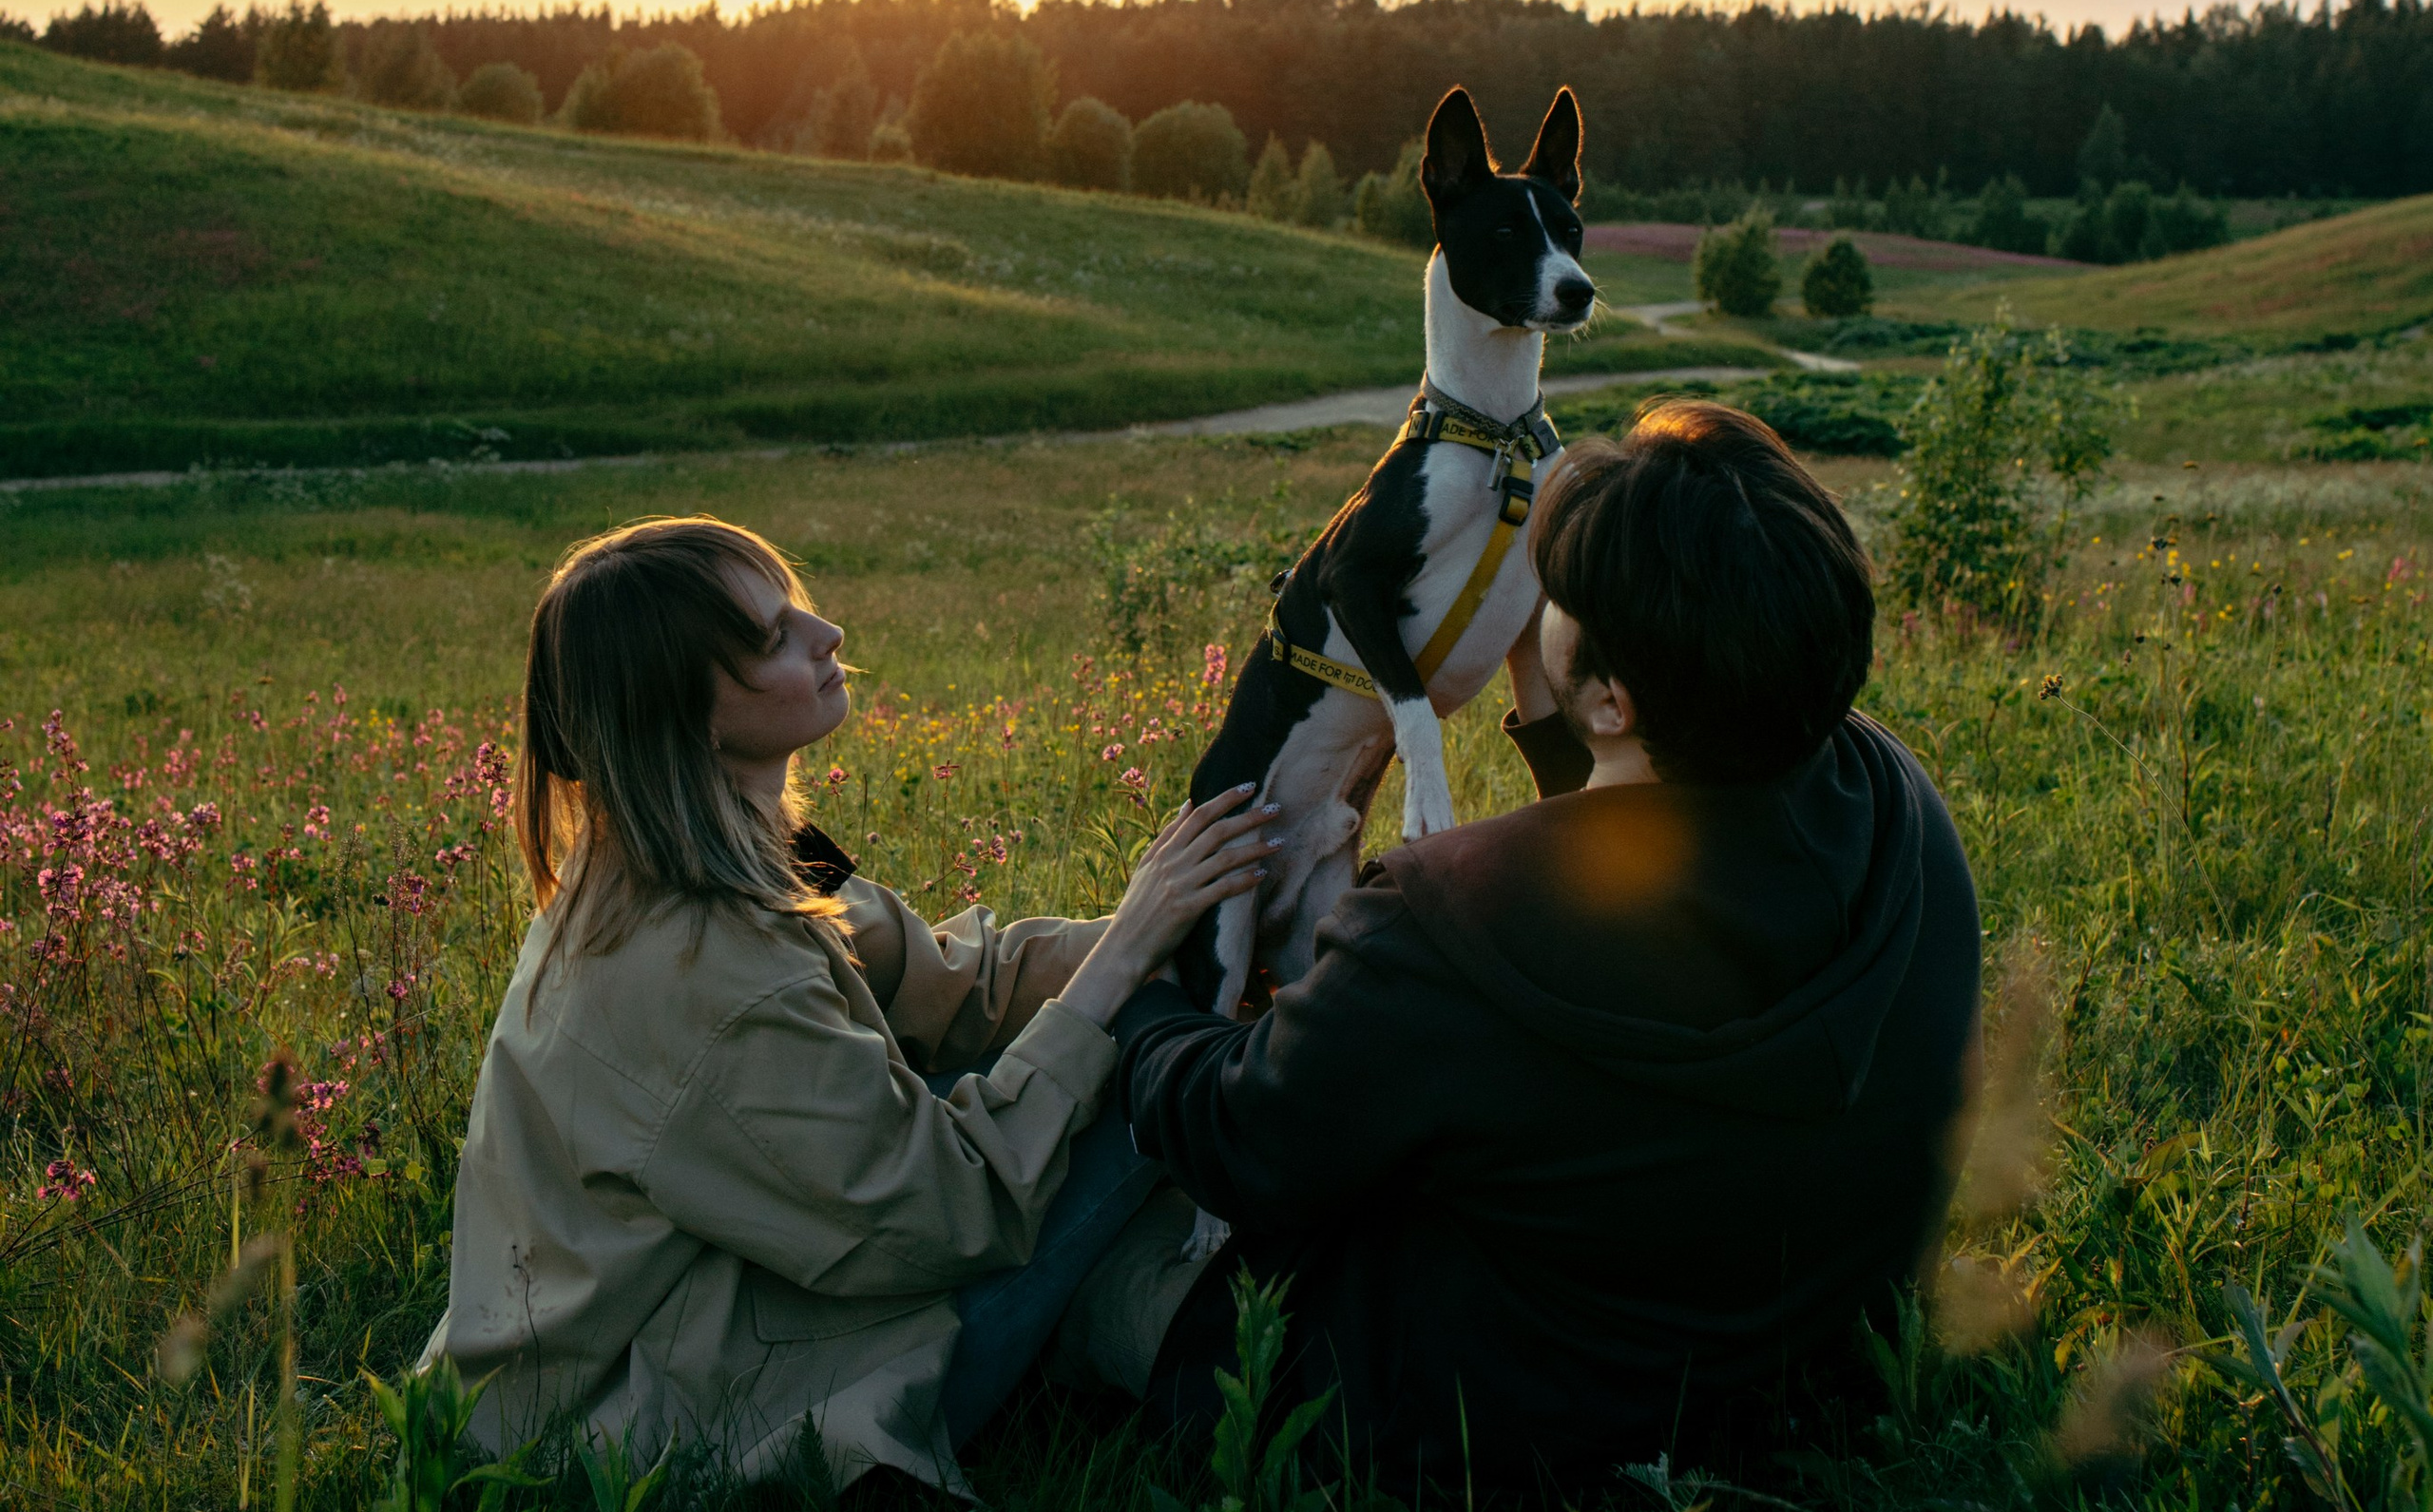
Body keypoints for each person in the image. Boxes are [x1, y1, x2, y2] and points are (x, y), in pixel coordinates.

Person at [1118, 400, 1983, 1490]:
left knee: (1098, 1254)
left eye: (1560, 596)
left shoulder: (1445, 925)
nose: (1536, 603)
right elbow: (1669, 873)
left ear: (1616, 699)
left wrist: (1147, 991)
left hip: (1488, 1424)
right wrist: (1556, 716)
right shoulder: (1896, 804)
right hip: (1810, 1376)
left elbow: (1240, 1138)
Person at [424, 515, 1274, 1495]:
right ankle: (1237, 1340)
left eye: (797, 608)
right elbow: (951, 1213)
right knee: (1134, 1062)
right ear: (688, 711)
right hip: (654, 1413)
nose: (825, 634)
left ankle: (1180, 1324)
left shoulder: (718, 848)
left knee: (1114, 1031)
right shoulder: (709, 970)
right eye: (770, 637)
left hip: (694, 1306)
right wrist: (1128, 972)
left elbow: (958, 982)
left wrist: (1169, 932)